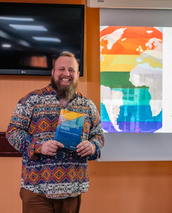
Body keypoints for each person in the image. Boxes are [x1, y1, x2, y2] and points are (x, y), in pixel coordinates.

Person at [6, 52, 104, 213]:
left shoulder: (87, 105)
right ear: (53, 72)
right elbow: (12, 131)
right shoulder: (32, 100)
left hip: (72, 190)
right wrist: (39, 146)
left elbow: (98, 135)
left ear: (78, 74)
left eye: (71, 70)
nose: (66, 74)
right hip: (37, 189)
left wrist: (93, 146)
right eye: (61, 69)